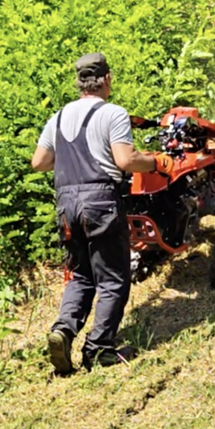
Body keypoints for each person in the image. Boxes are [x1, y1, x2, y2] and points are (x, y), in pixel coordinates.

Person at [30, 52, 173, 374]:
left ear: (79, 82)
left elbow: (38, 162)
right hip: (100, 200)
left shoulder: (59, 116)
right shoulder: (113, 113)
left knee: (81, 275)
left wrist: (70, 162)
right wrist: (157, 162)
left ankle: (63, 331)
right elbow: (125, 161)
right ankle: (98, 350)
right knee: (112, 278)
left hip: (66, 203)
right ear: (106, 79)